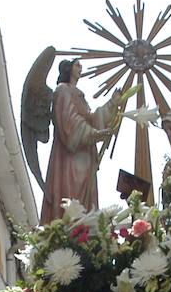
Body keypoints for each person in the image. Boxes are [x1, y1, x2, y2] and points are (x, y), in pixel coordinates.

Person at [40, 59, 121, 223]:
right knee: (70, 199)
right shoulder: (62, 91)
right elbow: (68, 121)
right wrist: (93, 134)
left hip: (85, 157)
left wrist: (112, 103)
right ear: (68, 69)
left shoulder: (79, 96)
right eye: (77, 65)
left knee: (85, 206)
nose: (81, 68)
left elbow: (91, 119)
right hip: (70, 158)